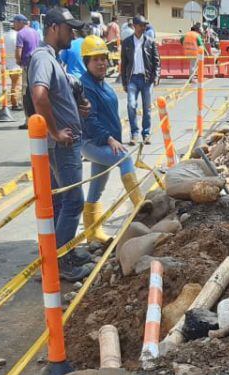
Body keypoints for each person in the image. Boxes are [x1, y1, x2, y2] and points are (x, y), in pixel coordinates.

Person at [29, 8, 94, 282]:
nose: (73, 34)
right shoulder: (43, 58)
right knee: (73, 201)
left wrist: (78, 105)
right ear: (54, 28)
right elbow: (39, 95)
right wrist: (55, 132)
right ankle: (60, 263)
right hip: (62, 145)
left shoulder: (53, 58)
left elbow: (57, 93)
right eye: (69, 29)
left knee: (58, 201)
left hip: (65, 141)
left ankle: (58, 253)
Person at [79, 35, 143, 245]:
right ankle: (140, 207)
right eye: (95, 59)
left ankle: (92, 234)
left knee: (97, 187)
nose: (100, 63)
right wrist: (108, 139)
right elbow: (90, 119)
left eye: (103, 58)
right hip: (92, 142)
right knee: (124, 159)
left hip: (103, 141)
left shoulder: (102, 84)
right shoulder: (85, 86)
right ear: (86, 62)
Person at [120, 15, 160, 145]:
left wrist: (157, 76)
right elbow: (124, 64)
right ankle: (134, 134)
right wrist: (124, 82)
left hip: (146, 79)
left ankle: (146, 134)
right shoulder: (126, 43)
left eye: (145, 26)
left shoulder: (150, 41)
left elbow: (156, 60)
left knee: (147, 108)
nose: (144, 28)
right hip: (132, 79)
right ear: (134, 26)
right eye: (141, 25)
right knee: (131, 106)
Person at [13, 14, 41, 128]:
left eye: (14, 22)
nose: (13, 24)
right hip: (37, 63)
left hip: (27, 65)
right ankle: (39, 117)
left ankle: (28, 120)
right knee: (36, 90)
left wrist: (18, 61)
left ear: (20, 22)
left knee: (26, 93)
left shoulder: (20, 33)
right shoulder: (35, 32)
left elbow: (18, 52)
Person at [3, 19, 22, 110]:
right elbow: (18, 49)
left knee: (13, 84)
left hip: (8, 64)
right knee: (17, 85)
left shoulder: (5, 35)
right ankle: (15, 104)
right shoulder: (17, 36)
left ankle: (15, 102)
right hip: (16, 64)